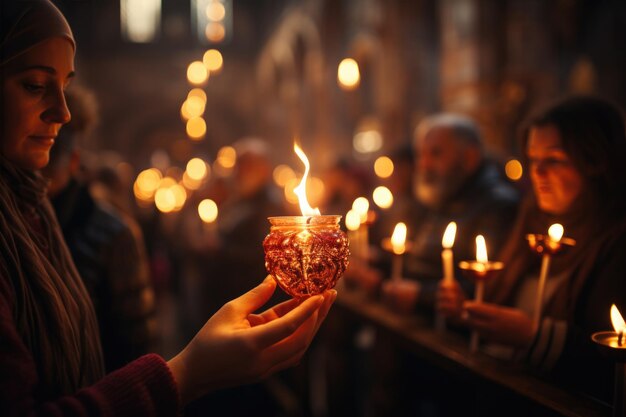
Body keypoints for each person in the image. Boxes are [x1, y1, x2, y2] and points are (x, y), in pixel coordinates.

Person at [0, 1, 335, 415]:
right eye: (34, 85)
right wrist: (188, 372)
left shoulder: (32, 212)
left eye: (66, 86)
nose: (63, 112)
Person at [437, 95, 626, 402]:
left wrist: (534, 336)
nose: (537, 174)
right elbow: (498, 300)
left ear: (596, 163)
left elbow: (609, 364)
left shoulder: (616, 242)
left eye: (553, 160)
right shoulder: (531, 219)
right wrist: (466, 311)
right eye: (533, 160)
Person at [41, 85, 158, 372]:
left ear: (73, 162)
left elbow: (134, 340)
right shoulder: (17, 223)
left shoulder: (113, 233)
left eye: (48, 168)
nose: (38, 181)